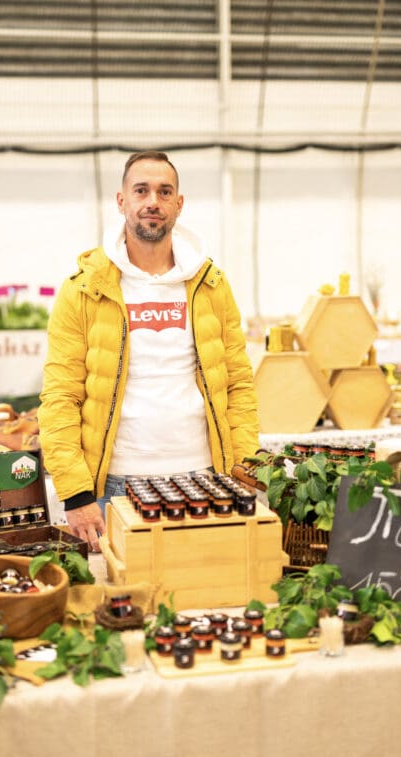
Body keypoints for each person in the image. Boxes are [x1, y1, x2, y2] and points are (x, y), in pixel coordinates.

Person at [38, 151, 260, 551]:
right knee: (123, 589)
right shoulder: (84, 289)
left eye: (164, 191)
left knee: (205, 584)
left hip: (205, 477)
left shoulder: (211, 285)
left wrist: (243, 467)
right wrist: (75, 493)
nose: (152, 201)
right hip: (115, 486)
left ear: (179, 203)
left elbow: (238, 384)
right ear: (121, 200)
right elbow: (61, 395)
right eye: (141, 190)